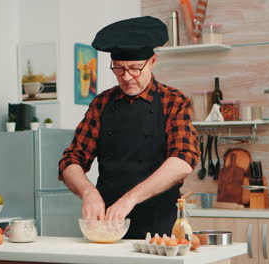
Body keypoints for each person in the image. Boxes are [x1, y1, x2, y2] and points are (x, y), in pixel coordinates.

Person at [58, 16, 200, 239]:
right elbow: (71, 160)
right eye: (119, 69)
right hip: (107, 228)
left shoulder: (173, 101)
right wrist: (88, 192)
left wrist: (129, 199)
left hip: (160, 231)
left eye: (134, 68)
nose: (126, 77)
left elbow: (183, 160)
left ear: (152, 61)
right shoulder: (102, 103)